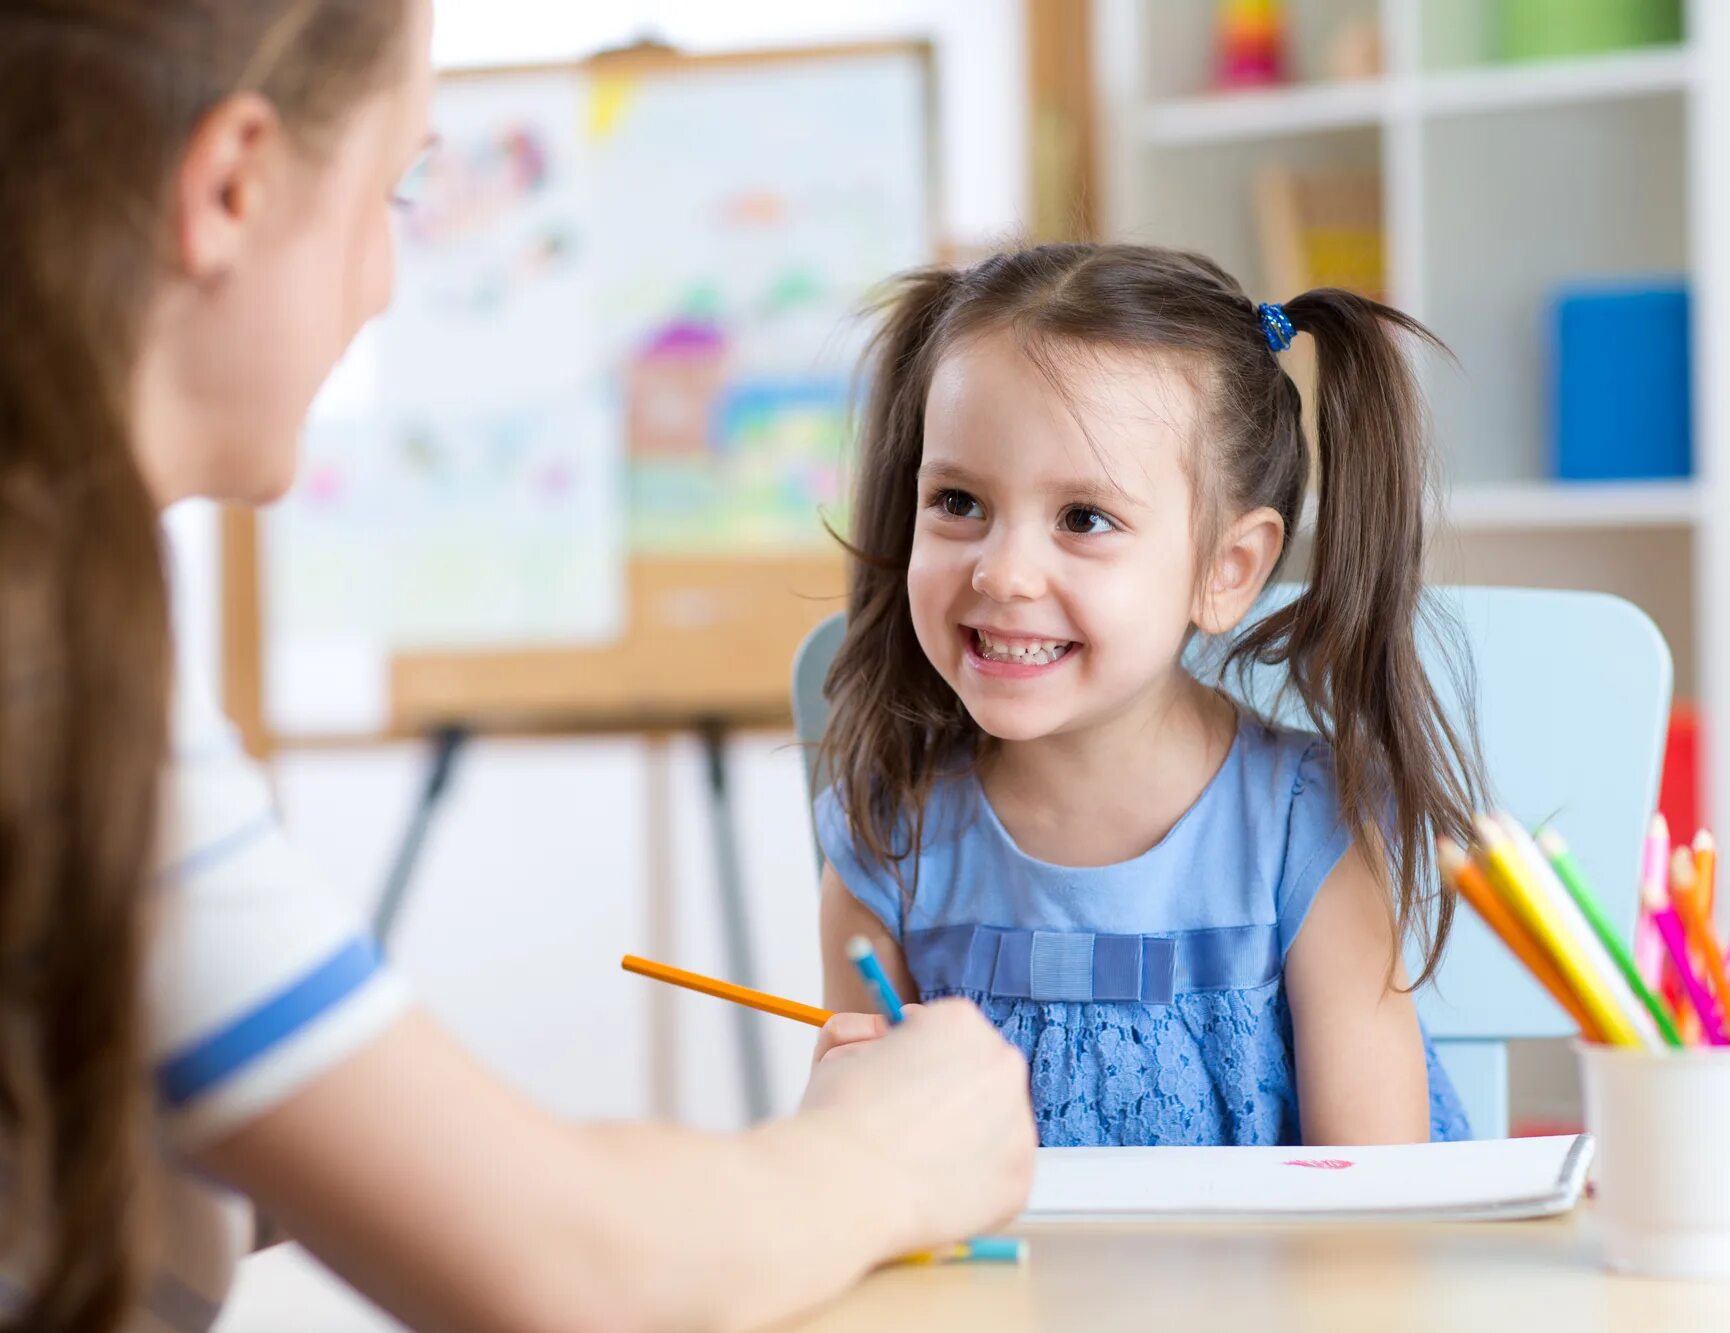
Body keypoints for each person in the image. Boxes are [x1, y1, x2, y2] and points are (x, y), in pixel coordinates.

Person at [0, 3, 1034, 1330]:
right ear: (231, 187)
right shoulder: (50, 665)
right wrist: (891, 1150)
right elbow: (572, 1275)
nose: (383, 280)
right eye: (395, 191)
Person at [812, 243, 1485, 1147]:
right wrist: (845, 1123)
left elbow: (1372, 1212)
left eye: (1083, 519)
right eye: (959, 501)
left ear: (1226, 567)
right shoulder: (886, 839)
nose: (1003, 571)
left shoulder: (1303, 826)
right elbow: (867, 1191)